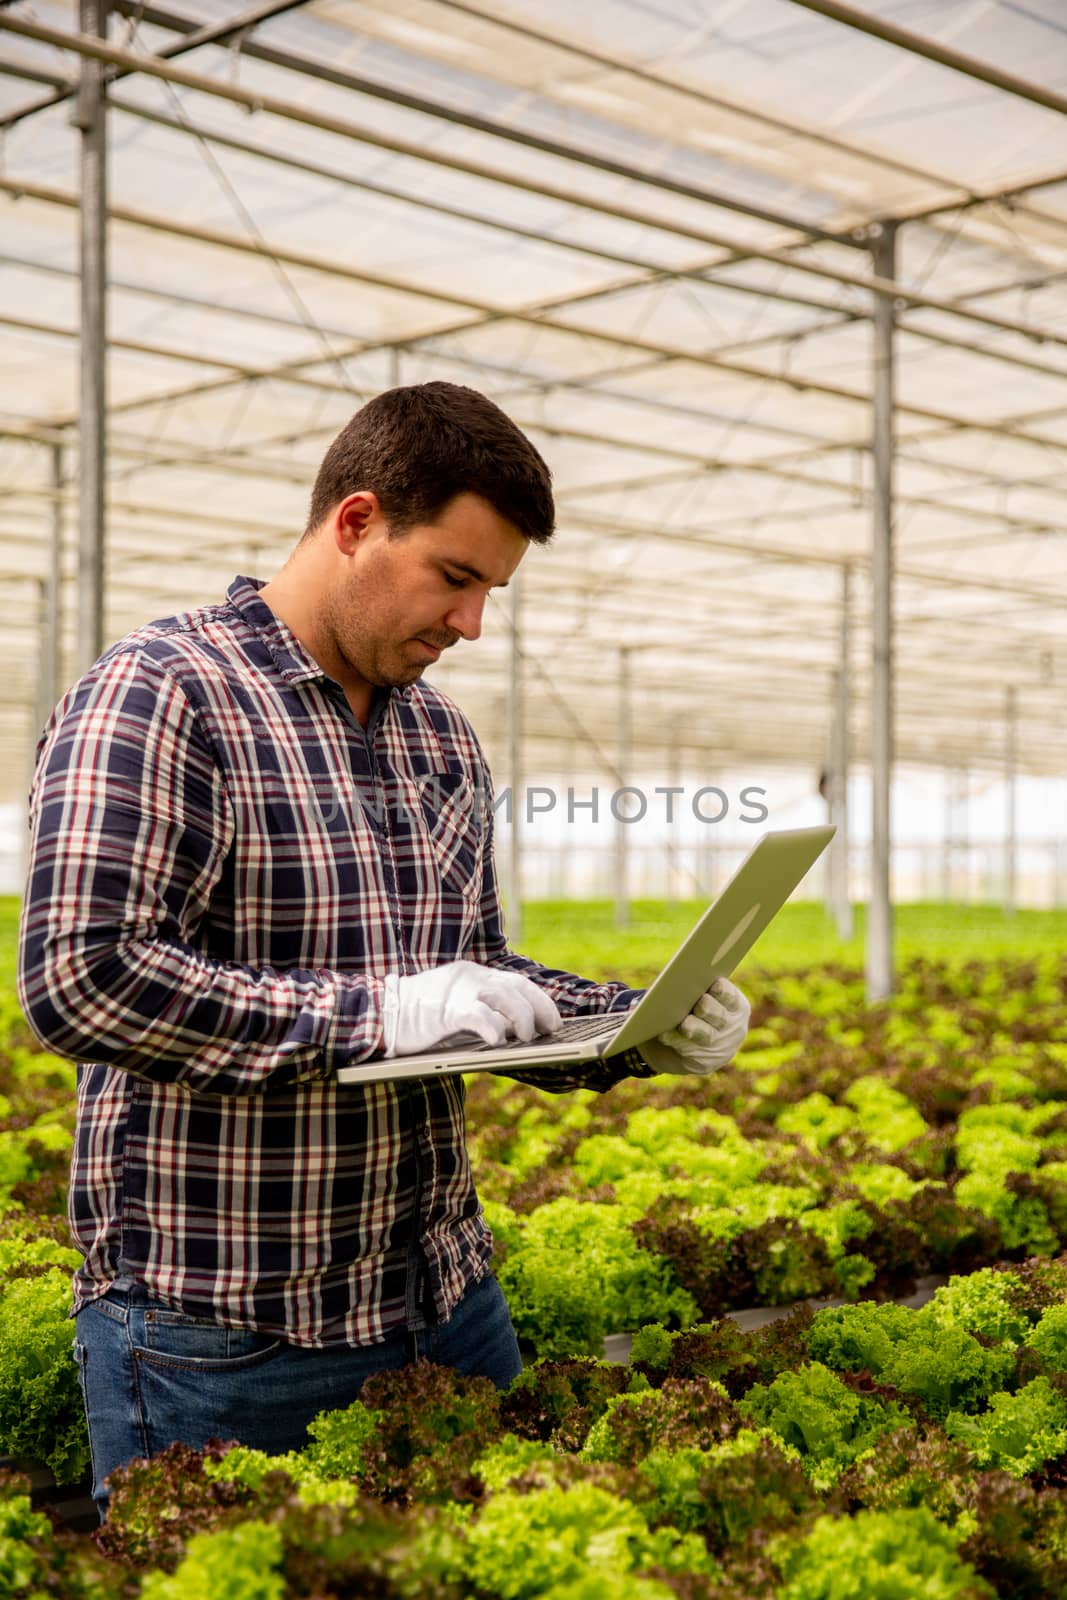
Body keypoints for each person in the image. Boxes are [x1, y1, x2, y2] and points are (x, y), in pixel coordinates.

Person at [17, 382, 750, 1517]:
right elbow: (84, 978)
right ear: (356, 522)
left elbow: (473, 976)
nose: (472, 625)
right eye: (456, 578)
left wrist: (637, 1020)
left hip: (449, 1300)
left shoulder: (440, 737)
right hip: (234, 1334)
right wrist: (375, 1016)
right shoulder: (164, 693)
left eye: (490, 591)